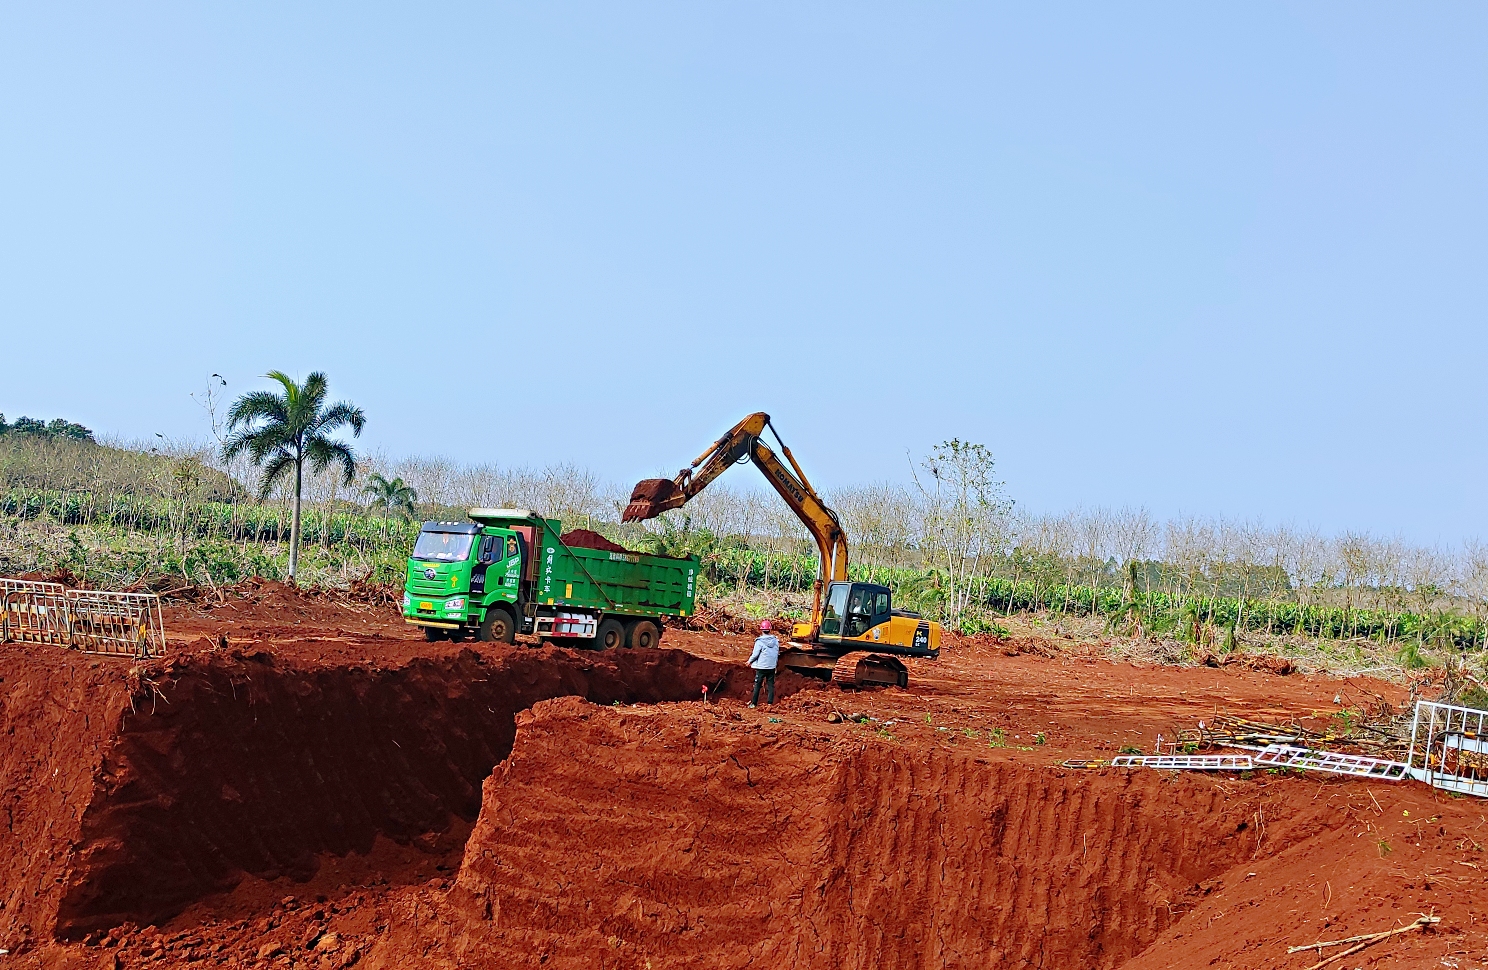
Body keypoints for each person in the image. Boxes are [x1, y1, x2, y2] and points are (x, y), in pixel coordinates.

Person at [747, 620, 780, 708]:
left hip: (761, 667)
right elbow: (776, 652)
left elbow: (755, 654)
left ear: (761, 629)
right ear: (770, 629)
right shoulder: (775, 641)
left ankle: (753, 703)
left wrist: (749, 661)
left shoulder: (759, 642)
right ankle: (770, 703)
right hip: (771, 667)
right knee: (770, 685)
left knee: (757, 685)